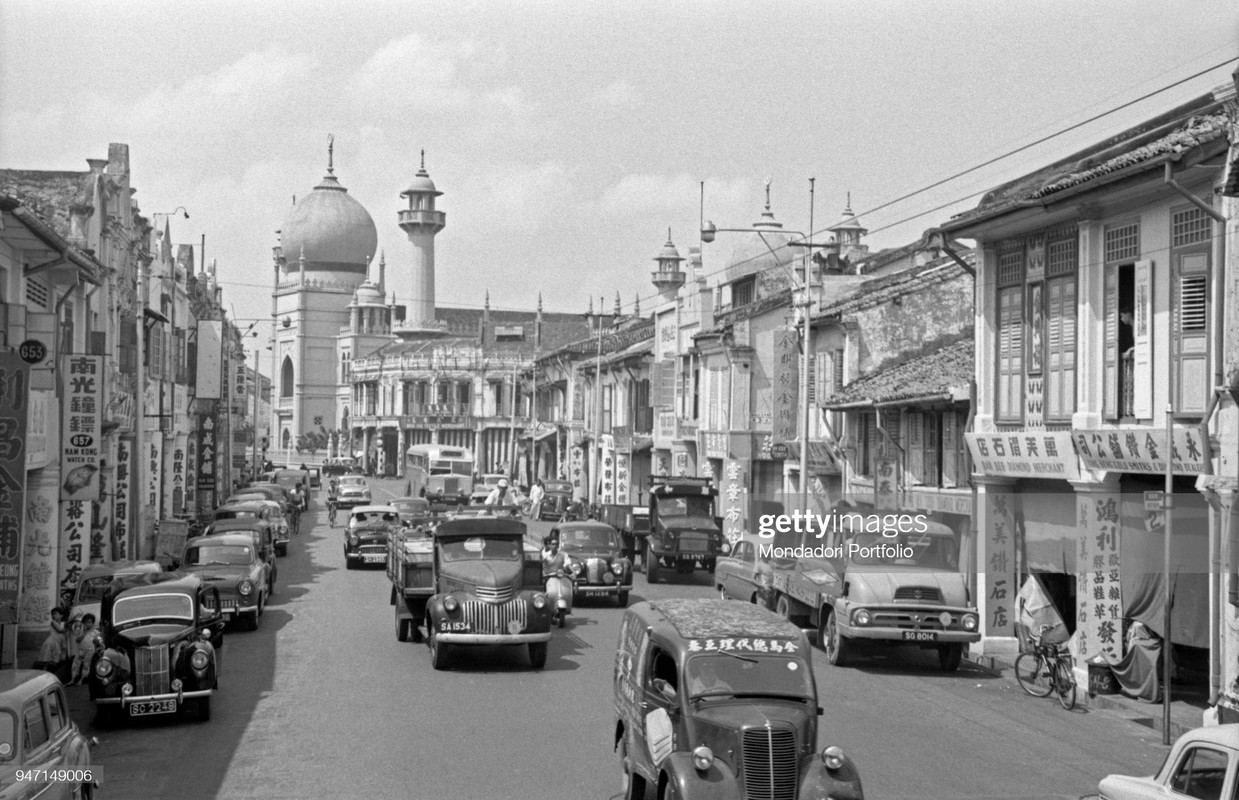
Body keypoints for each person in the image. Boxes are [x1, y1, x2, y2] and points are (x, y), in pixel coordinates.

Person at [69, 613, 98, 685]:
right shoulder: (80, 632)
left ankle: (82, 679)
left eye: (89, 622)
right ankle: (73, 679)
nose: (87, 624)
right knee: (76, 664)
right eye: (85, 623)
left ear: (92, 623)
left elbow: (97, 642)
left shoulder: (95, 632)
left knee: (86, 665)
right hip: (80, 650)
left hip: (89, 651)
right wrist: (84, 632)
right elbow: (77, 640)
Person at [39, 608, 67, 675]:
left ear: (61, 615)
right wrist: (68, 629)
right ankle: (44, 672)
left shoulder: (64, 624)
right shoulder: (53, 623)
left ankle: (53, 672)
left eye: (55, 614)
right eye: (53, 614)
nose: (53, 616)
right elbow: (59, 630)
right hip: (52, 641)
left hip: (59, 642)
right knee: (47, 656)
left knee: (56, 658)